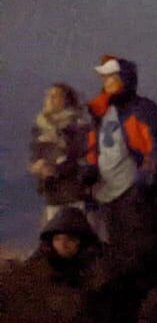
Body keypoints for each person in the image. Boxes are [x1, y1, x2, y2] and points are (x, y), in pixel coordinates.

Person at [84, 55, 157, 297]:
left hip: (133, 193)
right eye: (105, 77)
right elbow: (95, 145)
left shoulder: (143, 110)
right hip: (107, 192)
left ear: (125, 79)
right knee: (117, 249)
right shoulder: (101, 111)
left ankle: (145, 298)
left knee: (141, 250)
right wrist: (91, 170)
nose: (107, 82)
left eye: (112, 77)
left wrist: (145, 182)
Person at [29, 82, 92, 223]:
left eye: (55, 96)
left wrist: (55, 169)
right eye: (48, 96)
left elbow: (79, 158)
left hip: (74, 195)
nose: (49, 99)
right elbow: (35, 156)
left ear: (66, 101)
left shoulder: (78, 127)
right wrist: (36, 167)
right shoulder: (40, 128)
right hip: (51, 196)